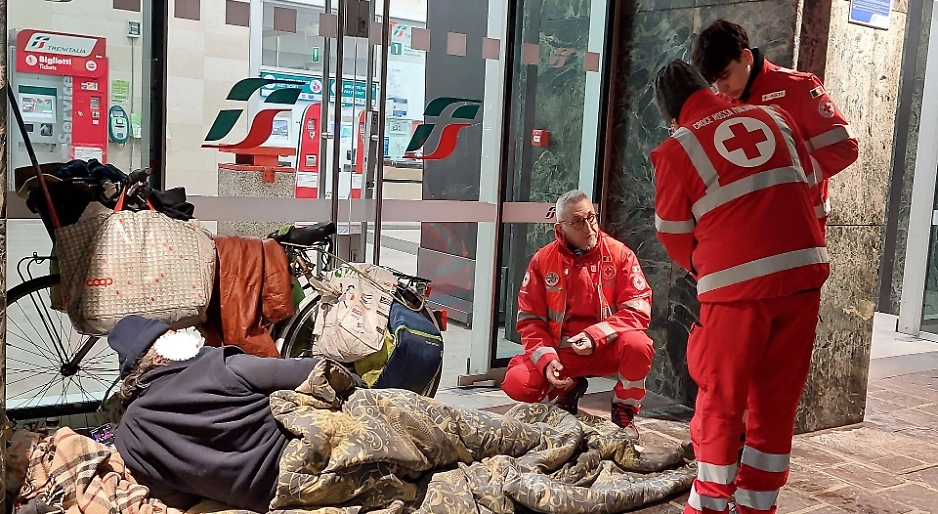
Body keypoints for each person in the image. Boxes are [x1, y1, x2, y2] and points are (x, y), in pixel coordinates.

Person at [650, 59, 830, 514]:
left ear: (672, 116)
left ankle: (709, 504)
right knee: (776, 400)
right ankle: (758, 505)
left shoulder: (676, 150)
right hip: (803, 277)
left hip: (737, 288)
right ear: (709, 87)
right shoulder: (777, 117)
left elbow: (673, 234)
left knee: (721, 398)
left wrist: (705, 265)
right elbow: (811, 188)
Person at [109, 315, 331, 513]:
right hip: (319, 462)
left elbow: (176, 497)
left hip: (270, 500)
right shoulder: (216, 365)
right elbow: (316, 373)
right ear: (160, 356)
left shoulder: (128, 437)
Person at [501, 190, 655, 433]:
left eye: (591, 218)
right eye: (577, 222)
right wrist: (547, 360)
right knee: (517, 383)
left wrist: (597, 335)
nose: (589, 228)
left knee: (639, 345)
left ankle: (624, 409)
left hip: (606, 347)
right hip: (562, 353)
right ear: (561, 227)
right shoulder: (543, 261)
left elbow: (638, 309)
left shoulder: (620, 254)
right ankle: (568, 387)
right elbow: (530, 320)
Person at [691, 19, 859, 235]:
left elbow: (845, 148)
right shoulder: (720, 104)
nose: (721, 87)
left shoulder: (798, 88)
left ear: (746, 57)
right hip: (744, 230)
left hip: (799, 225)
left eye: (725, 76)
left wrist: (789, 179)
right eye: (713, 81)